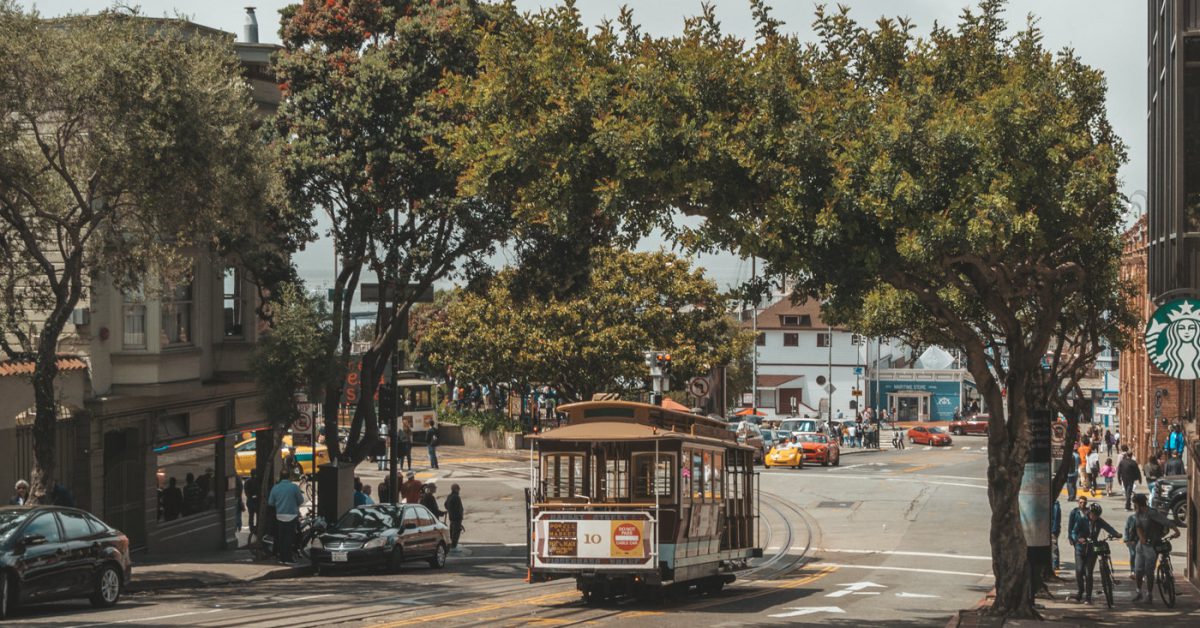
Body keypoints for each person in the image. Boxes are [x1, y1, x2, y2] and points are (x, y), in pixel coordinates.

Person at [1132, 493, 1181, 604]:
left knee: (1149, 571)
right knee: (1138, 570)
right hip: (1141, 546)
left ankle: (1149, 594)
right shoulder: (1138, 514)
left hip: (1152, 545)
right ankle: (1139, 592)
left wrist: (1177, 531)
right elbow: (1138, 527)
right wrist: (1142, 538)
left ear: (1138, 504)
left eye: (1135, 504)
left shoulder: (1151, 513)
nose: (1134, 506)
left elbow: (1166, 522)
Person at [1068, 502, 1119, 604]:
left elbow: (1108, 527)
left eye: (1097, 515)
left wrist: (1116, 534)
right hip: (1080, 548)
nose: (1094, 517)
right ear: (1089, 512)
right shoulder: (1082, 520)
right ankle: (1081, 591)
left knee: (1088, 573)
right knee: (1079, 570)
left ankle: (1088, 597)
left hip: (1092, 549)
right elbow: (1074, 532)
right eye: (1093, 514)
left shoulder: (1099, 521)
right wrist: (1078, 539)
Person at [267, 470, 306, 564]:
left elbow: (270, 502)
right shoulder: (294, 487)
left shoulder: (275, 488)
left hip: (279, 515)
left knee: (281, 537)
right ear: (289, 477)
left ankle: (281, 557)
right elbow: (301, 500)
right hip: (291, 515)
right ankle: (288, 558)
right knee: (289, 537)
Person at [444, 483, 465, 549]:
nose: (459, 490)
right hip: (457, 518)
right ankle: (454, 545)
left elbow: (445, 505)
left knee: (452, 530)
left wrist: (450, 510)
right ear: (456, 489)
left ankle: (451, 544)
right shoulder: (456, 497)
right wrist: (460, 516)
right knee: (456, 532)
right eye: (458, 489)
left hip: (452, 517)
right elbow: (458, 508)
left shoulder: (449, 496)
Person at [245, 468, 261, 533]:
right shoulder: (257, 481)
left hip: (250, 501)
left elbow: (246, 492)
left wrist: (251, 496)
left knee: (251, 516)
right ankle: (256, 528)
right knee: (257, 516)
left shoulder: (247, 481)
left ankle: (252, 529)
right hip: (256, 501)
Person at [1050, 499, 1062, 573]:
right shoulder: (1054, 505)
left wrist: (1053, 531)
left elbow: (1056, 520)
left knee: (1054, 547)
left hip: (1053, 529)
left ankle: (1055, 564)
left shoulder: (1055, 506)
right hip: (1052, 529)